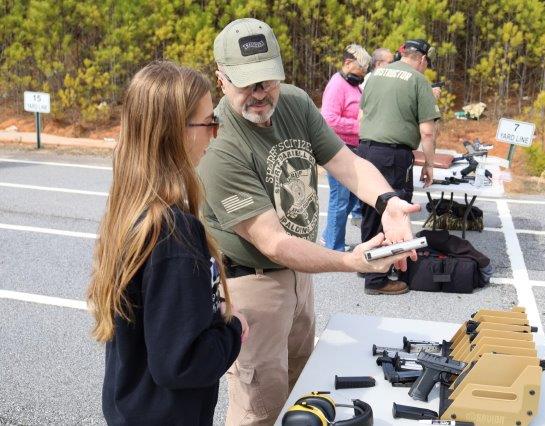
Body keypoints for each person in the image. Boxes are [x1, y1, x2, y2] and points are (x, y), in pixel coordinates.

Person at [198, 18, 420, 426]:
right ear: (221, 78)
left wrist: (387, 201)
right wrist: (350, 262)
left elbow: (346, 163)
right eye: (247, 83)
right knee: (259, 410)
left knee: (303, 394)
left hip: (300, 275)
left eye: (268, 79)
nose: (260, 93)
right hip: (252, 285)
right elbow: (273, 242)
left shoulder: (295, 103)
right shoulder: (220, 146)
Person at [87, 61, 249, 426]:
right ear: (174, 131)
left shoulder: (133, 210)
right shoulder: (174, 231)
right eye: (209, 123)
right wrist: (233, 330)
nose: (215, 134)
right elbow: (180, 363)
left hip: (132, 408)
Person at [358, 39, 441, 296]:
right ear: (422, 59)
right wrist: (428, 164)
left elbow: (362, 115)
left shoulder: (375, 75)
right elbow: (427, 132)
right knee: (394, 215)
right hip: (394, 156)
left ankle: (367, 264)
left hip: (366, 150)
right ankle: (377, 279)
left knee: (372, 212)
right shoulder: (418, 81)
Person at [320, 44, 371, 251]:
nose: (362, 76)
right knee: (340, 199)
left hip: (353, 149)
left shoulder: (354, 86)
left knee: (351, 199)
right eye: (360, 71)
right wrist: (360, 127)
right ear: (347, 63)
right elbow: (329, 119)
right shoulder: (337, 85)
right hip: (339, 149)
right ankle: (334, 247)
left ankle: (329, 235)